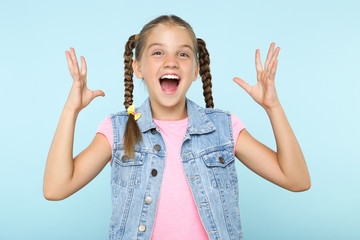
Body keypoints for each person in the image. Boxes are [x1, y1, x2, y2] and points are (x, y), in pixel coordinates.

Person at [43, 15, 311, 240]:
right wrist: (71, 111)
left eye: (183, 54)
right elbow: (56, 188)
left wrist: (273, 107)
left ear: (195, 70)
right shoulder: (119, 129)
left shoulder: (223, 128)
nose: (171, 61)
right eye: (158, 52)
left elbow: (296, 180)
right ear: (138, 67)